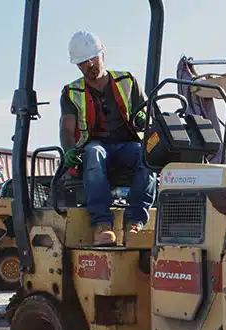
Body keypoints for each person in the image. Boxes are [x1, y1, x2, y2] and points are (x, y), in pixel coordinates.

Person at [59, 30, 156, 246]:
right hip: (95, 146)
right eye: (83, 62)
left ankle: (134, 223)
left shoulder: (127, 81)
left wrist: (143, 119)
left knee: (148, 155)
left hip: (127, 145)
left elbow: (150, 116)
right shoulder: (71, 92)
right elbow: (67, 128)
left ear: (103, 53)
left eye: (93, 58)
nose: (89, 64)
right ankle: (102, 225)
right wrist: (68, 149)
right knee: (94, 153)